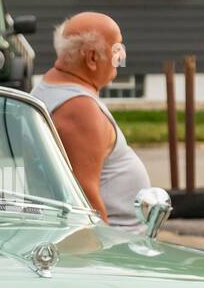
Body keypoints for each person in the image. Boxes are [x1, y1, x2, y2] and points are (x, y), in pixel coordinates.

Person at [31, 12, 150, 226]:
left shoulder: (48, 86)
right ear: (92, 58)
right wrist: (101, 256)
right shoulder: (79, 109)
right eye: (116, 48)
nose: (122, 56)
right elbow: (86, 199)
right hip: (116, 245)